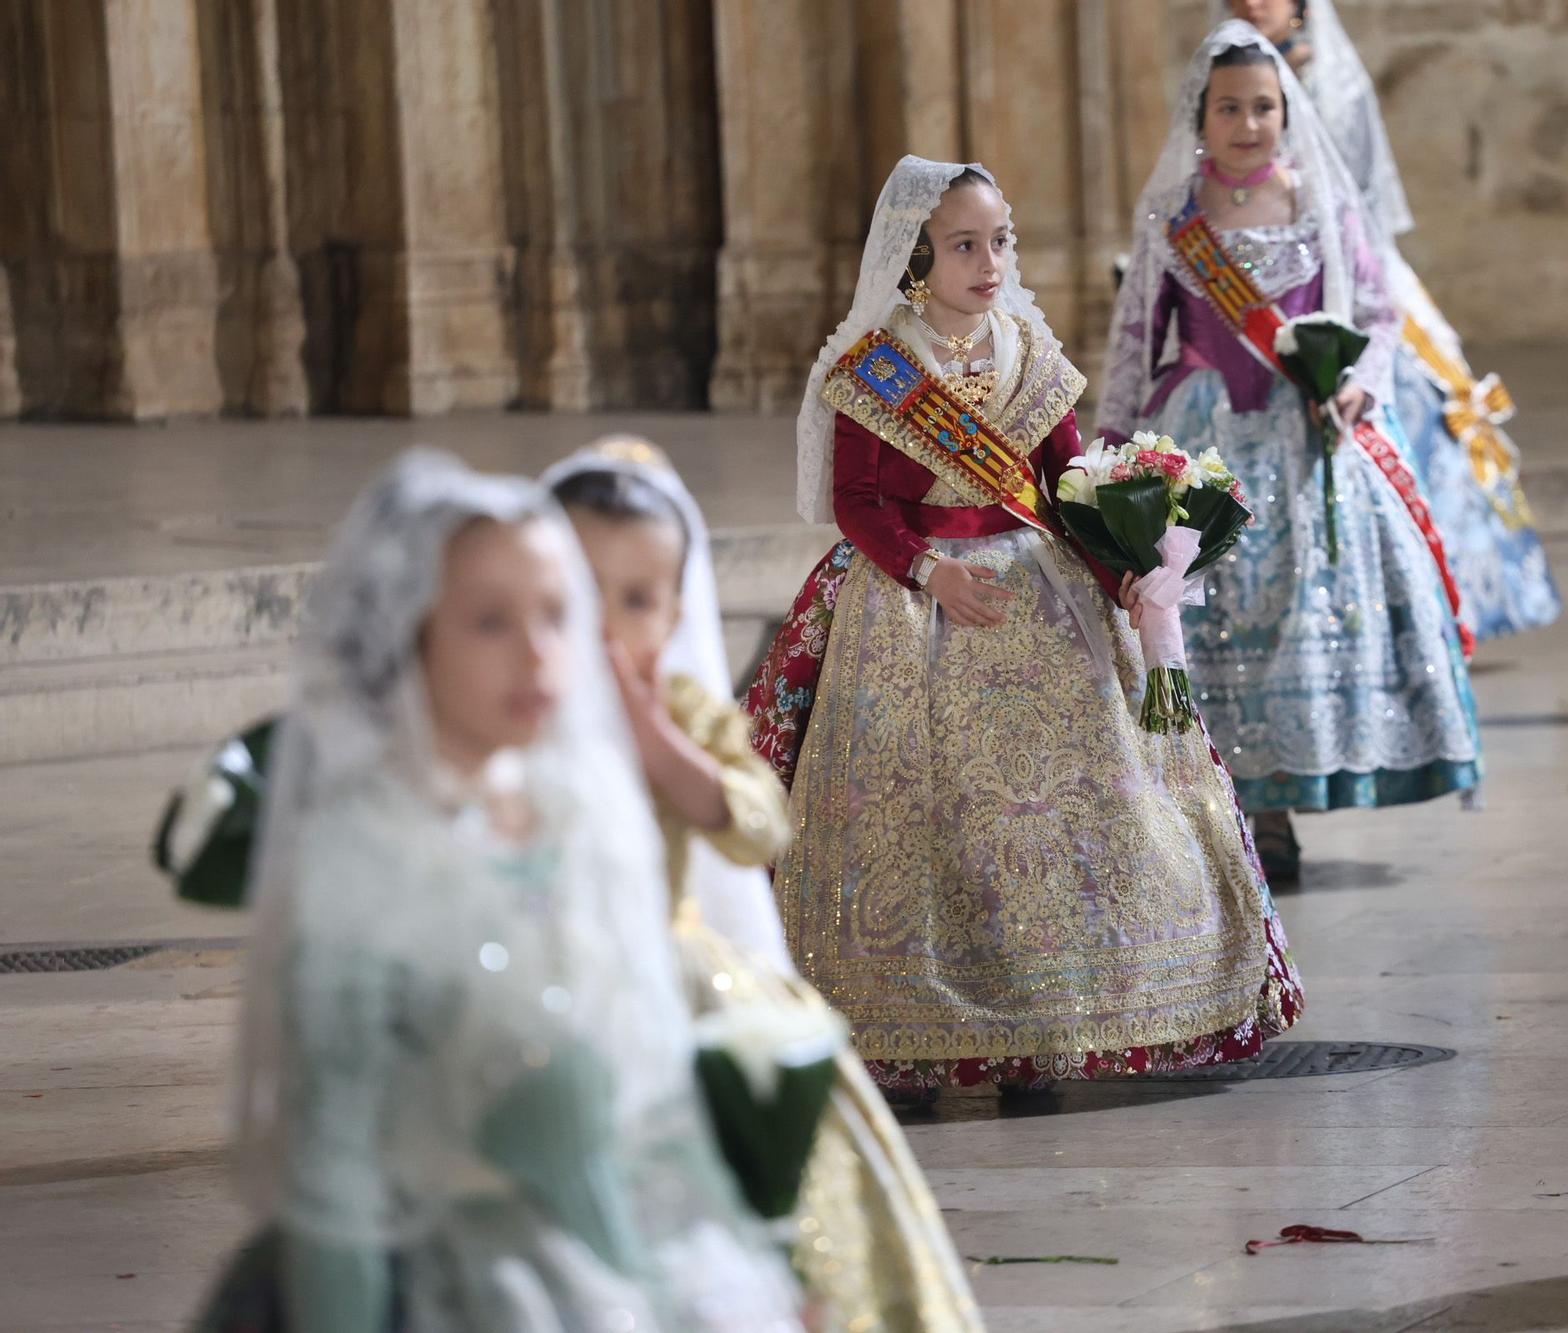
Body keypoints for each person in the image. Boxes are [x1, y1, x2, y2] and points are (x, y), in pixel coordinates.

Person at [205, 449, 800, 1330]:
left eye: (556, 614)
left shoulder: (580, 811)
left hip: (614, 1263)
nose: (540, 654)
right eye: (489, 621)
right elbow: (336, 1167)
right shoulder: (364, 857)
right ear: (409, 631)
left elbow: (656, 1123)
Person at [753, 154, 1301, 1100]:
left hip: (1040, 593)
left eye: (1000, 240)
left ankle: (1055, 1022)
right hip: (912, 595)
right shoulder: (878, 364)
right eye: (966, 244)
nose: (990, 260)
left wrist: (1123, 573)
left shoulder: (1030, 355)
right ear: (917, 259)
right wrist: (926, 568)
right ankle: (911, 1034)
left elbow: (1063, 487)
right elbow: (856, 500)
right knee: (922, 809)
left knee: (1082, 799)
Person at [545, 438, 984, 1331]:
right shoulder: (516, 705)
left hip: (671, 974)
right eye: (577, 591)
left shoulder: (685, 713)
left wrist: (653, 739)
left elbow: (757, 823)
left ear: (673, 615)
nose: (603, 624)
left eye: (634, 600)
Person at [1095, 19, 1481, 880]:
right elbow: (1132, 342)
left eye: (1263, 106)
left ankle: (1279, 801)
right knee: (1210, 621)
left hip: (1302, 439)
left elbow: (1380, 316)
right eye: (1229, 107)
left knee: (1291, 623)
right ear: (1201, 116)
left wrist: (1359, 383)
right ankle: (1231, 802)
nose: (1248, 124)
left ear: (1286, 112)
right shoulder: (1172, 215)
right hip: (1203, 446)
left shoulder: (1321, 203)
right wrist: (1109, 457)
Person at [1227, 0, 1561, 641]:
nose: (1249, 3)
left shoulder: (1329, 79)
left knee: (1403, 436)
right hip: (1254, 276)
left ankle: (1423, 606)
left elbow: (1357, 195)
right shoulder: (1223, 69)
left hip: (1344, 275)